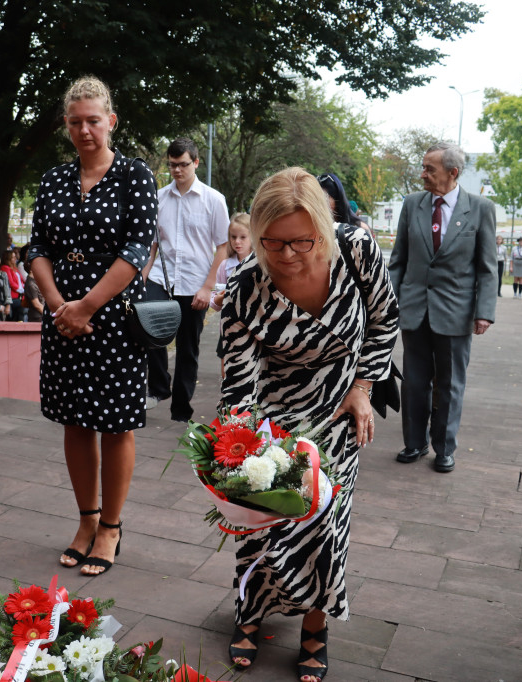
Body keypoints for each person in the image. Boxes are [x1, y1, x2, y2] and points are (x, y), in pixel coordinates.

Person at [219, 167, 398, 682]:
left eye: (302, 241)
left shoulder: (356, 250)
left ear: (323, 227)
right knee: (260, 520)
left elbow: (386, 319)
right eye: (273, 242)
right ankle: (249, 614)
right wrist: (239, 444)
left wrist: (363, 388)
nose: (289, 255)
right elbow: (240, 380)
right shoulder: (246, 287)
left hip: (342, 405)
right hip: (274, 413)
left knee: (326, 523)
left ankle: (316, 628)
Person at [28, 75, 157, 576]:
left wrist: (87, 306)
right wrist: (60, 304)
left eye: (94, 121)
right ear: (67, 125)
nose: (85, 130)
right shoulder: (54, 180)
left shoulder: (134, 175)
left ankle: (111, 528)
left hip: (114, 317)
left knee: (116, 423)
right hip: (63, 319)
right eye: (76, 122)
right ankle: (85, 521)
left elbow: (135, 249)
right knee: (75, 421)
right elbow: (37, 248)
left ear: (111, 122)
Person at [387, 141, 497, 474]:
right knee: (414, 382)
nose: (422, 174)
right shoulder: (412, 204)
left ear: (452, 172)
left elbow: (487, 267)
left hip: (456, 312)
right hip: (414, 309)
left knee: (449, 384)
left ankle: (444, 448)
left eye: (428, 169)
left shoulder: (480, 209)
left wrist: (484, 311)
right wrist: (389, 302)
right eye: (422, 167)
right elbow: (399, 261)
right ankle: (414, 443)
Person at [143, 137, 229, 422]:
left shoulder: (214, 200)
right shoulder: (158, 198)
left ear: (195, 162)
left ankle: (181, 408)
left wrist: (207, 287)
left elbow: (223, 246)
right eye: (172, 165)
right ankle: (158, 387)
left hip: (195, 282)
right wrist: (143, 276)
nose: (177, 171)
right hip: (161, 277)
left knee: (187, 348)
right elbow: (153, 243)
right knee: (149, 330)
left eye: (182, 165)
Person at [210, 213, 253, 375]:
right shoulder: (225, 266)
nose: (237, 242)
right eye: (233, 237)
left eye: (243, 237)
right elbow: (214, 302)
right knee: (227, 371)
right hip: (228, 327)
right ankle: (227, 399)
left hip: (251, 327)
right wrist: (219, 299)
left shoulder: (258, 264)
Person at [0, 248, 25, 321]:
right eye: (13, 257)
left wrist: (22, 288)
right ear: (8, 258)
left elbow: (21, 280)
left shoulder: (15, 267)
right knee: (13, 318)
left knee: (20, 317)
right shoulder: (5, 268)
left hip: (19, 296)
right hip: (13, 296)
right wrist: (19, 289)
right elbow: (10, 282)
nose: (15, 258)